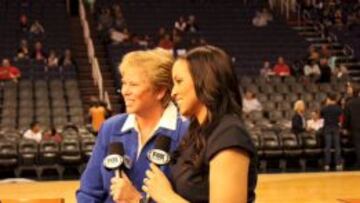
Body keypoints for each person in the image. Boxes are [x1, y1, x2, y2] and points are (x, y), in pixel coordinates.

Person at [142, 45, 257, 203]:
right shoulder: (197, 132)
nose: (173, 93)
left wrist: (165, 197)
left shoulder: (229, 133)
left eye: (179, 81)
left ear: (205, 80)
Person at [77, 48, 189, 202]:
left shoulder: (187, 133)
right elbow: (89, 192)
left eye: (133, 85)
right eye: (124, 83)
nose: (125, 91)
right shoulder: (111, 128)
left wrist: (136, 199)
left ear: (160, 91)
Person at [321, 93, 343, 171]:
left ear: (329, 99)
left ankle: (327, 164)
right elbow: (341, 119)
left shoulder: (325, 108)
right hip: (336, 128)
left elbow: (322, 116)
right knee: (337, 146)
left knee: (328, 146)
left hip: (327, 128)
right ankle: (338, 164)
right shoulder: (339, 108)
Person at [343, 87, 360, 169]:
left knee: (358, 145)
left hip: (355, 126)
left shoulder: (349, 103)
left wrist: (345, 127)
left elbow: (346, 117)